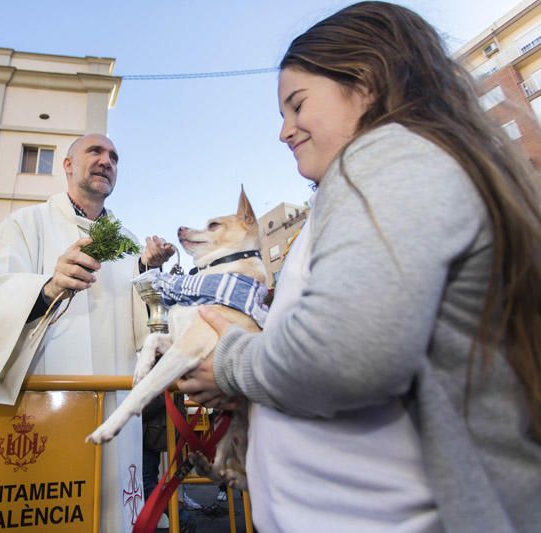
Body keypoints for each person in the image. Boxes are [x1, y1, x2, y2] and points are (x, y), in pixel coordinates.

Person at [178, 3, 541, 532]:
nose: (285, 131)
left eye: (297, 106)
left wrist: (232, 361)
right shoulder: (362, 183)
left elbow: (346, 354)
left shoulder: (389, 157)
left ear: (366, 83)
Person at [0, 133, 175, 532]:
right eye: (95, 151)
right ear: (67, 165)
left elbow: (141, 328)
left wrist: (147, 272)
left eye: (114, 156)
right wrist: (46, 288)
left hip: (116, 405)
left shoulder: (128, 242)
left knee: (114, 508)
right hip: (47, 403)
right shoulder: (25, 226)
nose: (106, 160)